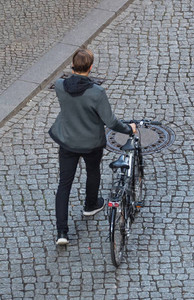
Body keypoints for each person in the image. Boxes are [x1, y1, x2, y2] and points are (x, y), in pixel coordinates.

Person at [48, 48, 136, 245]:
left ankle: (61, 232)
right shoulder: (97, 92)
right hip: (90, 142)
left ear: (73, 66)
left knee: (64, 184)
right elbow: (111, 122)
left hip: (67, 141)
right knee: (92, 171)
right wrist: (129, 129)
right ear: (91, 67)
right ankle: (90, 204)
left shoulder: (60, 86)